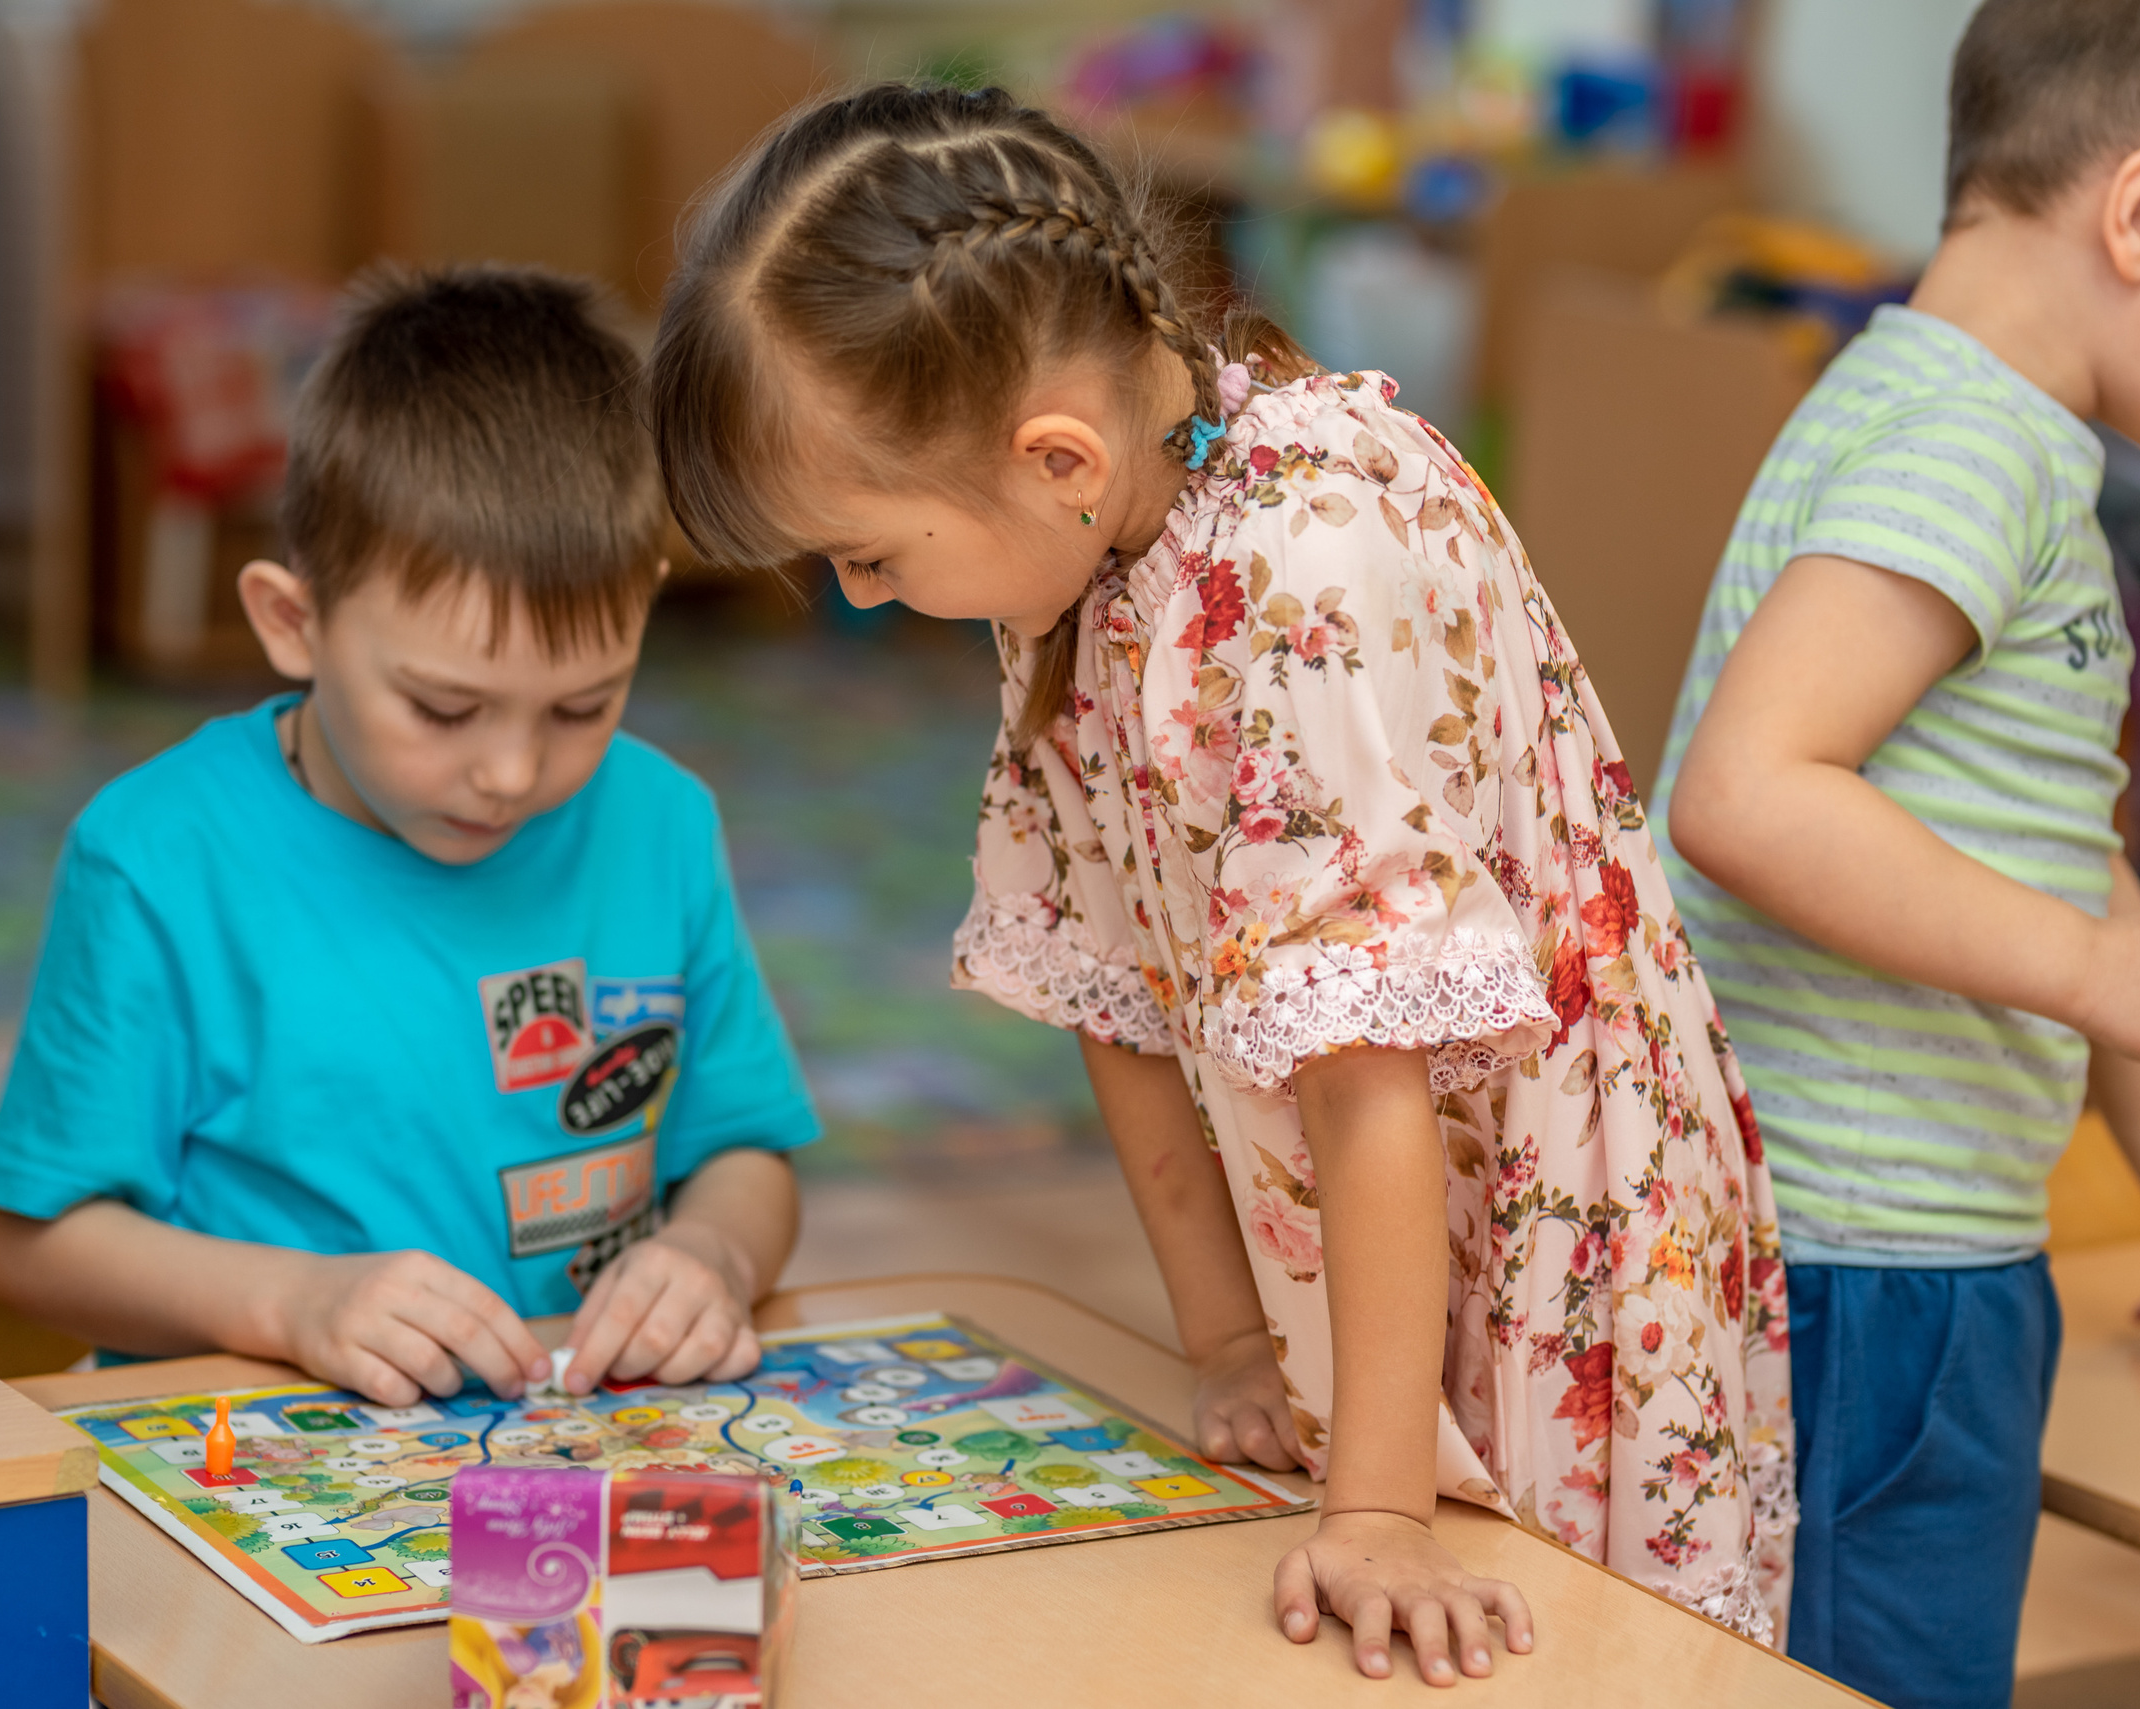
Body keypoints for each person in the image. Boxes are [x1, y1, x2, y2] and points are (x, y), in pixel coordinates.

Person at [648, 83, 1795, 1684]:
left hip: (1550, 1247)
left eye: (870, 556)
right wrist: (1227, 1338)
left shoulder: (1302, 557)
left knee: (1568, 1654)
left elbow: (1367, 1067)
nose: (861, 596)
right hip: (1380, 1248)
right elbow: (1108, 986)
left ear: (1054, 454)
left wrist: (1381, 1507)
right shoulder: (1082, 553)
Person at [1655, 4, 2140, 1703]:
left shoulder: (1959, 417)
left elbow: (2060, 859)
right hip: (1866, 1266)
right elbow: (1750, 791)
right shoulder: (1970, 446)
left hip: (1889, 1251)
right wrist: (2092, 968)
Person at [0, 265, 819, 1407]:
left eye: (583, 704)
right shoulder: (157, 859)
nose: (514, 771)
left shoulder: (660, 819)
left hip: (579, 1455)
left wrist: (712, 1252)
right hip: (263, 1469)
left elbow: (744, 1149)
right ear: (293, 621)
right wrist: (297, 1302)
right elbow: (35, 1244)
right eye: (442, 707)